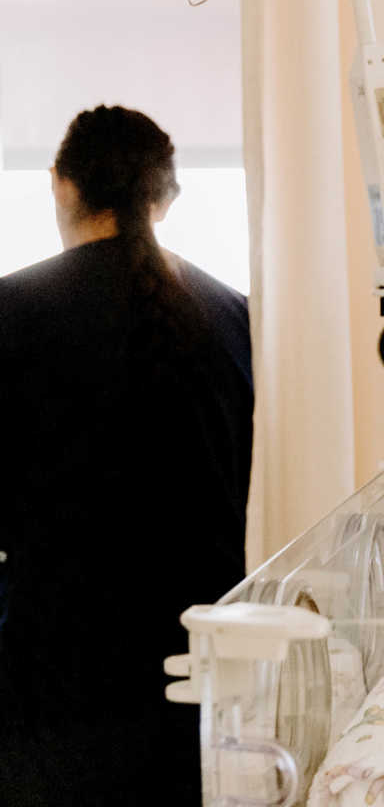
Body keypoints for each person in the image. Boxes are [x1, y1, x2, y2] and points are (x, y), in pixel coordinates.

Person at [0, 105, 253, 805]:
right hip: (197, 669)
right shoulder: (234, 315)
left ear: (61, 184)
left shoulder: (11, 311)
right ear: (164, 200)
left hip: (56, 672)